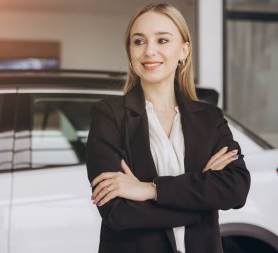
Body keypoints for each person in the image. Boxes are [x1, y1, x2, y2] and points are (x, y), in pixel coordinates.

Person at [85, 3, 250, 253]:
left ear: (184, 50)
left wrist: (149, 190)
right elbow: (118, 212)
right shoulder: (109, 115)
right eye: (139, 41)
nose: (149, 50)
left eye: (162, 40)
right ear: (130, 52)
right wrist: (202, 205)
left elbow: (235, 188)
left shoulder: (209, 118)